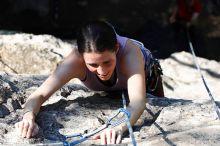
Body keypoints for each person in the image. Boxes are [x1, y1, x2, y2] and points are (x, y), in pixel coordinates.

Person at [15, 20, 164, 145]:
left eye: (107, 62)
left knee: (162, 105)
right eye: (93, 65)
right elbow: (39, 94)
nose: (102, 71)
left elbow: (138, 102)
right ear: (81, 56)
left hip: (149, 78)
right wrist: (28, 118)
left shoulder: (130, 54)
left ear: (116, 49)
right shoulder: (75, 61)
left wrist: (118, 127)